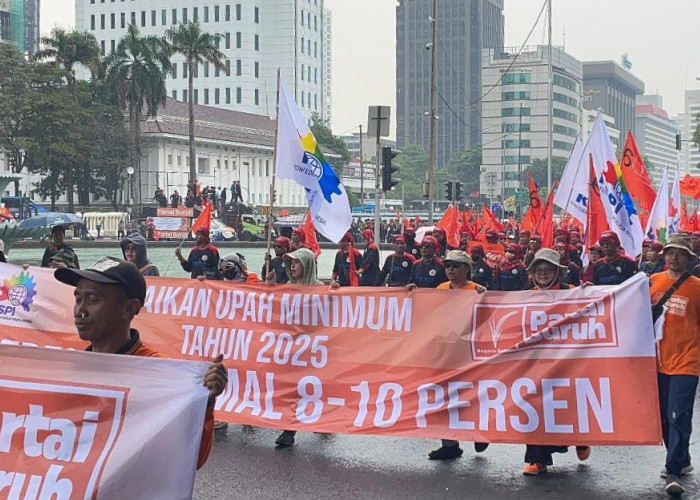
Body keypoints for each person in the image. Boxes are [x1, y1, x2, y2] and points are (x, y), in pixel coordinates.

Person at [53, 257, 227, 470]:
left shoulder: (161, 375)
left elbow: (190, 459)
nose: (80, 310)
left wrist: (203, 404)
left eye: (92, 299)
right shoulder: (72, 370)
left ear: (129, 309)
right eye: (78, 298)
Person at [522, 248, 591, 475]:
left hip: (566, 360)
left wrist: (591, 293)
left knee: (567, 406)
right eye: (538, 270)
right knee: (535, 407)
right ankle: (537, 459)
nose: (542, 274)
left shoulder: (571, 292)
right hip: (535, 362)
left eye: (547, 269)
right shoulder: (525, 295)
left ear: (557, 272)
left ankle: (581, 439)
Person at [423, 250, 488, 460]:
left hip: (467, 352)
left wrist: (484, 297)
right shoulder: (441, 289)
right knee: (444, 398)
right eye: (448, 265)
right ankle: (449, 444)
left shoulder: (477, 291)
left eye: (455, 265)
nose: (450, 269)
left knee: (472, 395)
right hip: (444, 352)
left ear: (467, 268)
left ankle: (481, 432)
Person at [650, 234, 700, 495]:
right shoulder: (651, 282)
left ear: (688, 259)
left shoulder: (697, 287)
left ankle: (673, 470)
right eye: (670, 252)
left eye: (679, 253)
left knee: (678, 415)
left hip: (687, 363)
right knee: (663, 418)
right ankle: (683, 458)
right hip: (658, 362)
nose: (674, 257)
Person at [265, 247, 326, 447]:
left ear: (307, 265)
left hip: (314, 349)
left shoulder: (322, 289)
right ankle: (288, 430)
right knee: (291, 389)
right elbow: (269, 311)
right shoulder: (285, 289)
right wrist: (270, 288)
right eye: (290, 263)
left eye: (297, 262)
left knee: (315, 388)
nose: (292, 266)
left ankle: (325, 419)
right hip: (292, 350)